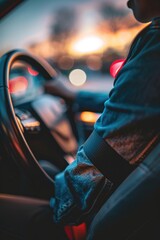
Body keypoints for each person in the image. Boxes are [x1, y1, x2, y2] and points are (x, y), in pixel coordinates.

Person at [1, 0, 160, 239]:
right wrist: (74, 95)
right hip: (122, 208)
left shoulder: (155, 49)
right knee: (45, 168)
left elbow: (105, 160)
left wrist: (62, 203)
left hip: (100, 223)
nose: (127, 1)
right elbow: (131, 102)